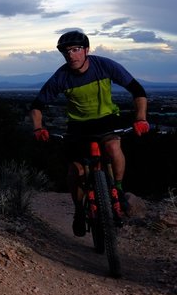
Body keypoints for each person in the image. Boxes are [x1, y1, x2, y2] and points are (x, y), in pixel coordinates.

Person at [29, 30, 149, 237]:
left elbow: (137, 90)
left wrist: (141, 118)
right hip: (78, 125)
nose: (71, 55)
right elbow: (37, 105)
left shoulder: (105, 65)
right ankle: (79, 210)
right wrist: (38, 128)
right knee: (77, 171)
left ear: (86, 50)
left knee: (113, 147)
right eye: (66, 52)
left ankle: (117, 189)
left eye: (76, 50)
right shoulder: (61, 76)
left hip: (106, 118)